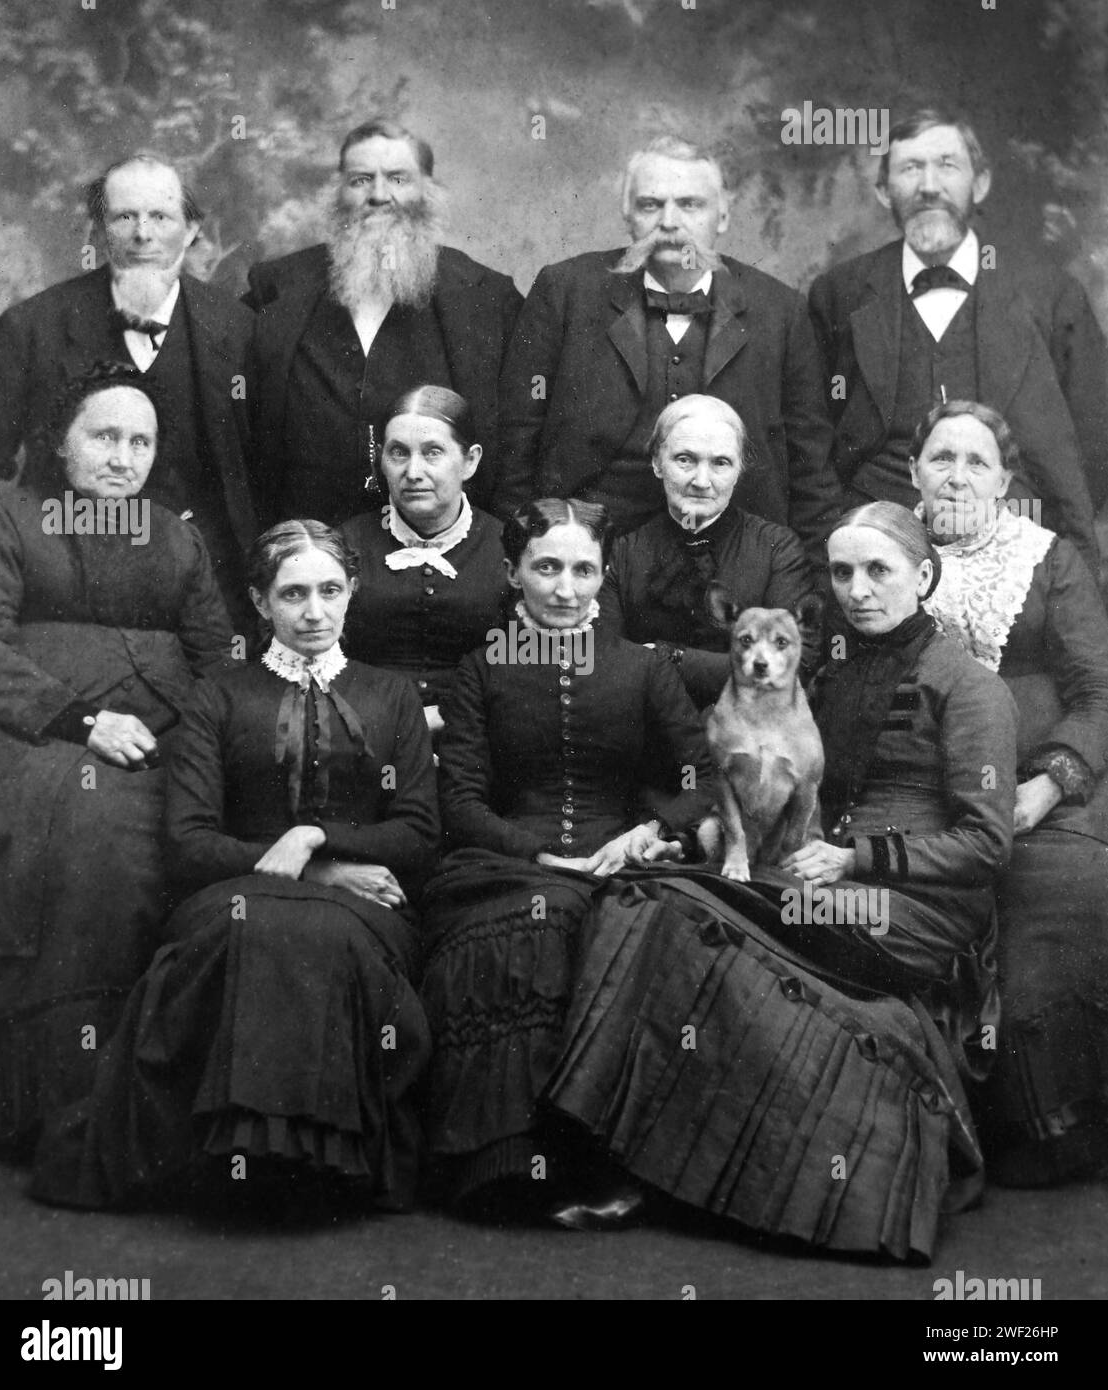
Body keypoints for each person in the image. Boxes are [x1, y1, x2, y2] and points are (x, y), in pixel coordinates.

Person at [541, 502, 1019, 1259]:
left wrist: (856, 859)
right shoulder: (819, 671)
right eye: (841, 572)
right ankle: (643, 1165)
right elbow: (746, 762)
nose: (857, 589)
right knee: (646, 900)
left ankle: (669, 1175)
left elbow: (985, 841)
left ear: (923, 576)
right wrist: (668, 830)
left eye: (878, 571)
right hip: (808, 882)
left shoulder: (968, 687)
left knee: (693, 923)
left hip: (911, 908)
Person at [29, 521, 439, 1211]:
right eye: (293, 593)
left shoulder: (391, 693)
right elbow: (189, 842)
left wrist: (311, 837)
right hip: (230, 893)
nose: (313, 611)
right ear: (259, 600)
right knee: (259, 929)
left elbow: (419, 832)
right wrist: (311, 874)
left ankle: (317, 1164)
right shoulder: (216, 694)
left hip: (366, 905)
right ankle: (234, 1160)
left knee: (325, 936)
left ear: (352, 594)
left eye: (330, 590)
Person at [418, 498, 718, 1218]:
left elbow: (701, 777)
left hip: (624, 857)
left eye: (583, 570)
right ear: (512, 571)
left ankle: (628, 1167)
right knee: (542, 917)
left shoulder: (640, 670)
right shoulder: (481, 669)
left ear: (604, 576)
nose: (564, 588)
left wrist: (649, 831)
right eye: (546, 567)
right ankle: (515, 1167)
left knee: (655, 929)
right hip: (503, 861)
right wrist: (540, 854)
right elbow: (460, 801)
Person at [0, 363, 232, 1159]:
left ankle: (149, 1107)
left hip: (167, 739)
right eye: (105, 437)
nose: (124, 458)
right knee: (89, 835)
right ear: (62, 441)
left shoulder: (178, 536)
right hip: (33, 734)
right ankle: (59, 1107)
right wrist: (81, 720)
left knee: (186, 834)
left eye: (141, 441)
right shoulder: (5, 519)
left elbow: (217, 655)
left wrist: (211, 742)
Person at [909, 399, 1108, 1186]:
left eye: (975, 462)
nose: (956, 475)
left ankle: (1046, 1131)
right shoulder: (876, 553)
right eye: (940, 458)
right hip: (916, 801)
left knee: (1045, 953)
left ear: (1002, 482)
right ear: (913, 472)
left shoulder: (1047, 559)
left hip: (1039, 802)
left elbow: (1099, 691)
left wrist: (1045, 786)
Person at [493, 134, 840, 569]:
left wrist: (812, 580)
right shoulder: (565, 291)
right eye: (651, 205)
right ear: (627, 214)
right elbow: (517, 441)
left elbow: (811, 466)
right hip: (588, 553)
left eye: (690, 205)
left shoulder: (780, 310)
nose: (670, 222)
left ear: (724, 214)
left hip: (734, 558)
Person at [809, 108, 1107, 578]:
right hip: (878, 552)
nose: (929, 185)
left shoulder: (1049, 293)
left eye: (947, 165)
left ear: (980, 183)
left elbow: (1095, 435)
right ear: (884, 191)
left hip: (1019, 548)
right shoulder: (839, 294)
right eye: (910, 168)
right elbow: (813, 436)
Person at [0, 153, 258, 623]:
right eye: (125, 217)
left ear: (189, 231)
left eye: (160, 217)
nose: (142, 234)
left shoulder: (238, 330)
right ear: (101, 231)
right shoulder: (33, 327)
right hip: (63, 589)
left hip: (202, 592)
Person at [245, 118, 522, 525]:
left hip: (439, 552)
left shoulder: (486, 297)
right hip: (308, 548)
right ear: (338, 192)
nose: (378, 195)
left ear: (427, 192)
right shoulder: (278, 287)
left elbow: (520, 435)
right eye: (360, 180)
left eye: (397, 179)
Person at [598, 394, 817, 708]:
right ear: (657, 463)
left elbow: (798, 661)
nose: (702, 481)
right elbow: (607, 661)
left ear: (739, 469)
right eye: (685, 459)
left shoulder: (776, 549)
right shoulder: (624, 552)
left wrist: (668, 658)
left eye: (720, 463)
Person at [338, 386, 511, 731]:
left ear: (470, 460)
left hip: (476, 734)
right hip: (368, 731)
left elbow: (521, 674)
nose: (413, 471)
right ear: (382, 461)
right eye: (399, 453)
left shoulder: (507, 547)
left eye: (433, 452)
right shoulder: (345, 544)